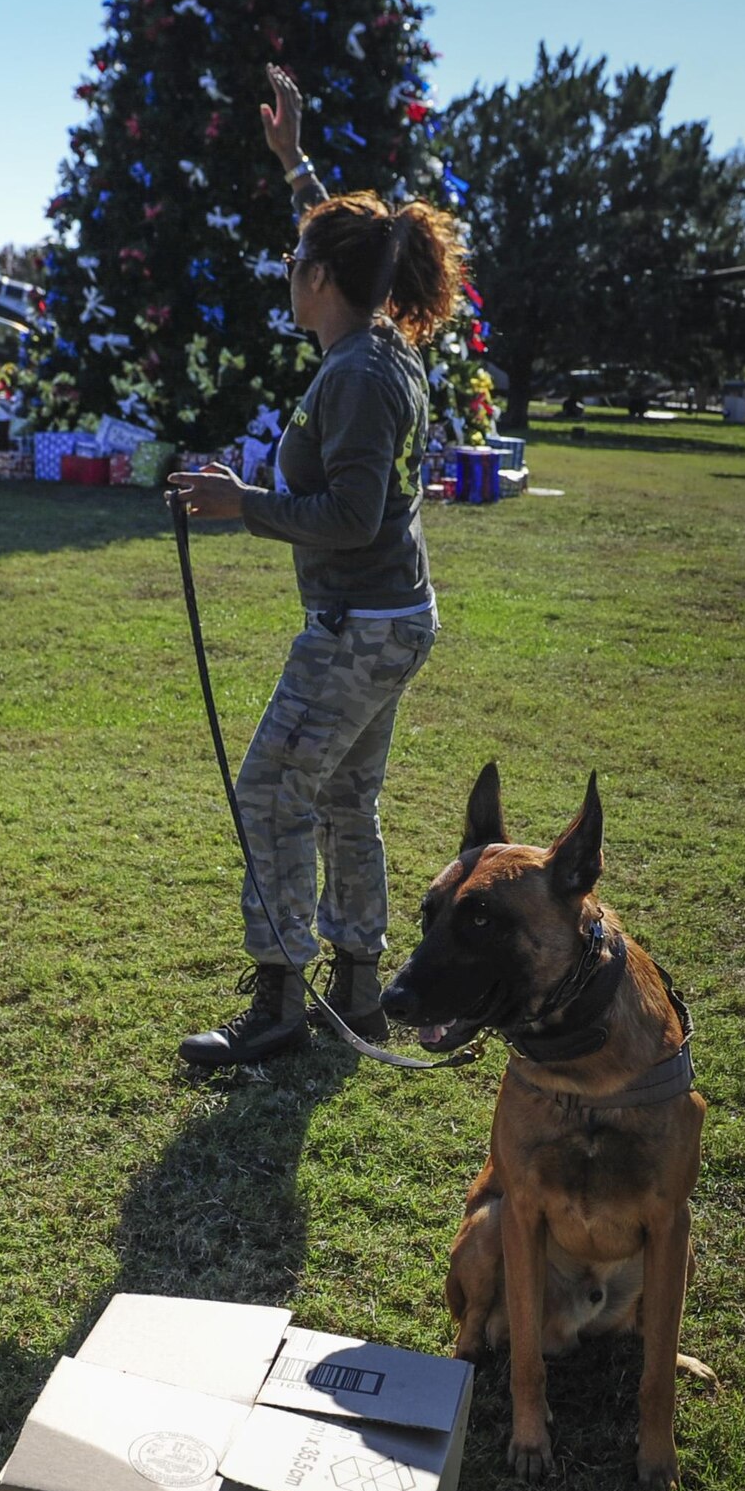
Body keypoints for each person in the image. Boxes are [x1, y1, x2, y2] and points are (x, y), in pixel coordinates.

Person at [171, 65, 465, 1068]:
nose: (286, 267)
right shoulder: (369, 339)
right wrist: (295, 162)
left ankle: (283, 1001)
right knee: (343, 796)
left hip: (361, 623)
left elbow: (350, 514)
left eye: (295, 258)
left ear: (323, 283)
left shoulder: (364, 374)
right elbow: (349, 237)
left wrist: (238, 504)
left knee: (270, 789)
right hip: (383, 617)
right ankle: (357, 990)